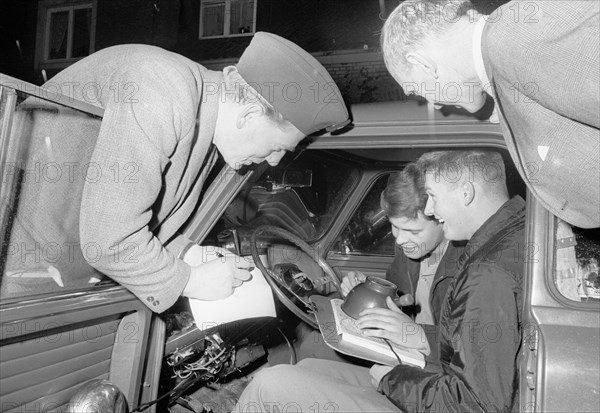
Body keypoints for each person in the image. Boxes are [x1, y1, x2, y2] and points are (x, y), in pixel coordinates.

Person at [1, 32, 349, 313]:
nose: (273, 162)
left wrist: (188, 253)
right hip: (19, 264)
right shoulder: (164, 93)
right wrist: (190, 282)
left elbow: (140, 212)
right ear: (249, 116)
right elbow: (108, 239)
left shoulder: (203, 118)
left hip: (51, 261)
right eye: (278, 147)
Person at [233, 149, 525, 412]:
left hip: (432, 383)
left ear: (465, 194)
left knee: (268, 385)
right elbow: (462, 345)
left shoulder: (486, 272)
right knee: (307, 364)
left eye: (433, 197)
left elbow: (475, 402)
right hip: (431, 374)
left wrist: (395, 376)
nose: (432, 209)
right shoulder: (501, 241)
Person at [381, 0, 599, 229]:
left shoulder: (515, 40)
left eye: (416, 90)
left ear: (422, 64)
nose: (434, 105)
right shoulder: (506, 50)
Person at [278, 162, 463, 364]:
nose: (400, 240)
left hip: (434, 364)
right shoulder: (409, 247)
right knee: (311, 341)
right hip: (399, 346)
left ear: (443, 219)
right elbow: (398, 295)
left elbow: (475, 349)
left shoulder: (471, 267)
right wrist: (366, 288)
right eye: (394, 227)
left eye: (413, 231)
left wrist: (417, 335)